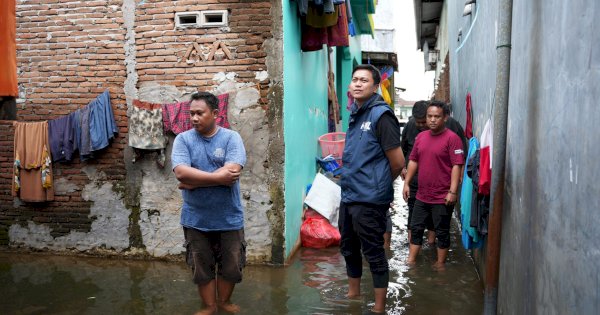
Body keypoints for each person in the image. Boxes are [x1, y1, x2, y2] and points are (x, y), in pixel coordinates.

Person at [171, 92, 247, 315]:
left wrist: (194, 183)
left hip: (229, 217)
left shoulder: (231, 138)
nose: (194, 118)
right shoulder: (183, 140)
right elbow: (181, 172)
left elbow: (232, 171)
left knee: (231, 266)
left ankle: (223, 302)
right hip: (196, 219)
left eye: (199, 113)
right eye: (191, 113)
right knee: (201, 266)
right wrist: (216, 179)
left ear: (215, 114)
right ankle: (209, 306)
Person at [339, 64, 405, 314]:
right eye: (354, 79)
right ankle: (353, 295)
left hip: (369, 199)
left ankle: (379, 308)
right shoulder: (356, 113)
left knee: (374, 252)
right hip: (349, 194)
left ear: (376, 86)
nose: (357, 84)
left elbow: (398, 163)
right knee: (348, 248)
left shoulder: (381, 115)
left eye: (363, 80)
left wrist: (377, 186)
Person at [402, 101, 464, 270]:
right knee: (415, 228)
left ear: (444, 118)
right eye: (430, 116)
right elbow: (413, 160)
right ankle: (411, 260)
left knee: (442, 230)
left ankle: (440, 264)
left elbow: (457, 166)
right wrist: (406, 183)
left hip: (442, 196)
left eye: (437, 116)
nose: (432, 120)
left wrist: (453, 191)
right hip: (422, 194)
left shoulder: (453, 138)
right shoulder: (421, 137)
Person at [400, 101, 435, 245]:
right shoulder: (409, 126)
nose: (420, 125)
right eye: (418, 122)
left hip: (434, 180)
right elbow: (402, 150)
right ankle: (412, 244)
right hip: (414, 178)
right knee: (413, 211)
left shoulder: (444, 129)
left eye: (423, 122)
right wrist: (402, 168)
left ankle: (432, 243)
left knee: (433, 214)